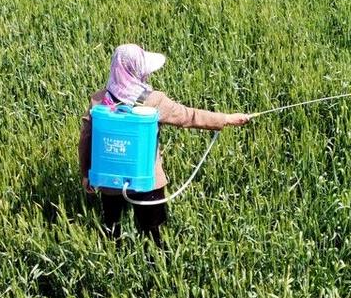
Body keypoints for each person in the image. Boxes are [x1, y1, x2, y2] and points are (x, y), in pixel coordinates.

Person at [78, 44, 249, 247]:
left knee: (111, 227)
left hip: (109, 181)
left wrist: (86, 174)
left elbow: (85, 140)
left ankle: (114, 258)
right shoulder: (153, 101)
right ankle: (157, 265)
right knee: (154, 232)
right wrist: (226, 119)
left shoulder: (99, 101)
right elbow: (189, 116)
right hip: (147, 181)